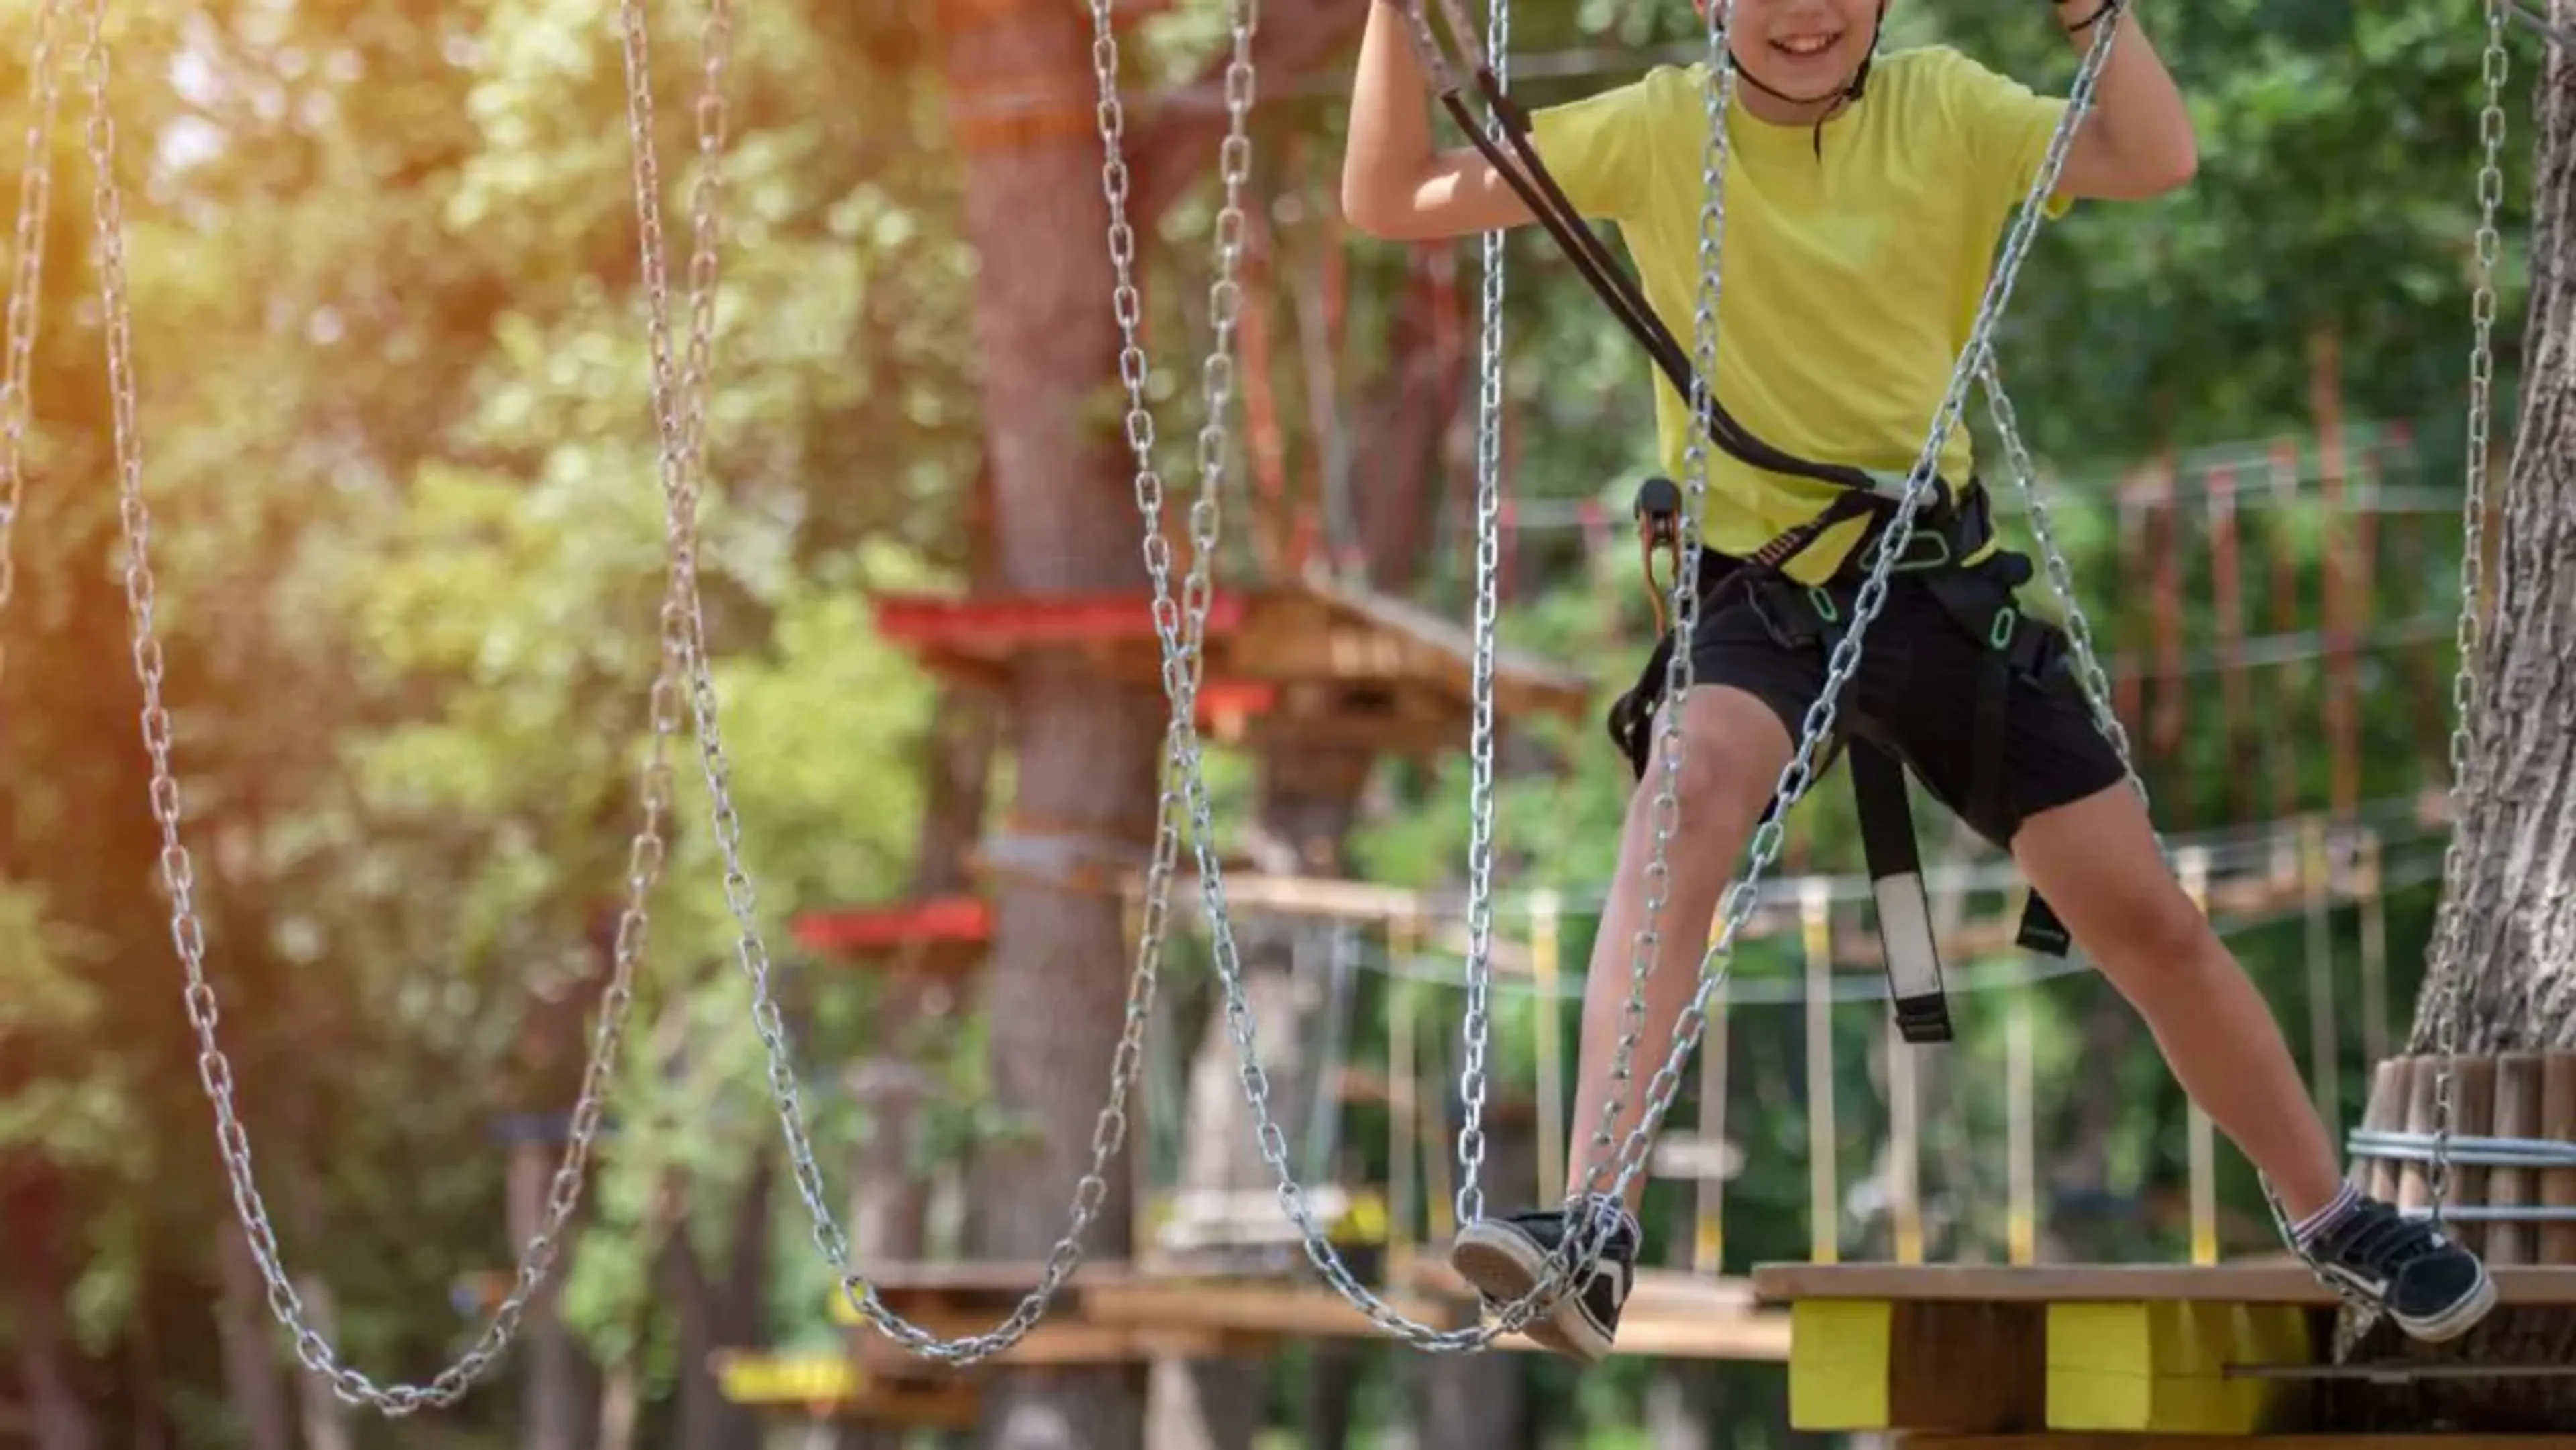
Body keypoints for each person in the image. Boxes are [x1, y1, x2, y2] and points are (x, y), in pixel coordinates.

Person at [1340, 0, 2496, 1365]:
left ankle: (2338, 1214)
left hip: (1934, 586)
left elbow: (2153, 154)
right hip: (1758, 590)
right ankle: (1595, 1223)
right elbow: (1394, 198)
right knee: (1684, 794)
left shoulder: (1946, 108)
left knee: (2148, 920)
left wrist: (2084, 15)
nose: (1806, 16)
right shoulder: (1661, 130)